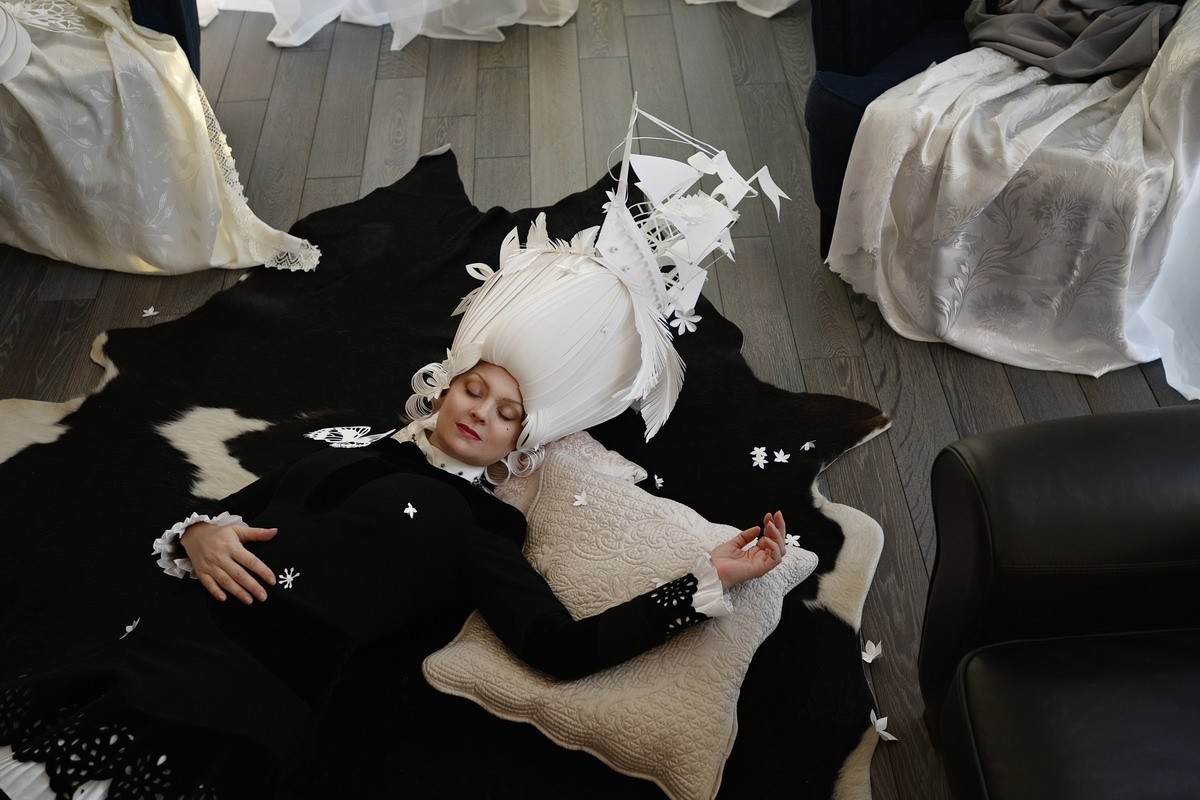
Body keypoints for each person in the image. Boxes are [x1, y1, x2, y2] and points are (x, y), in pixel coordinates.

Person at [0, 102, 790, 800]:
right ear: (444, 387)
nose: (481, 412)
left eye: (508, 413)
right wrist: (199, 535)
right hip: (155, 646)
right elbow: (240, 513)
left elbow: (561, 648)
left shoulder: (485, 528)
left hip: (242, 701)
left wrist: (706, 579)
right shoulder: (344, 445)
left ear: (523, 438)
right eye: (475, 389)